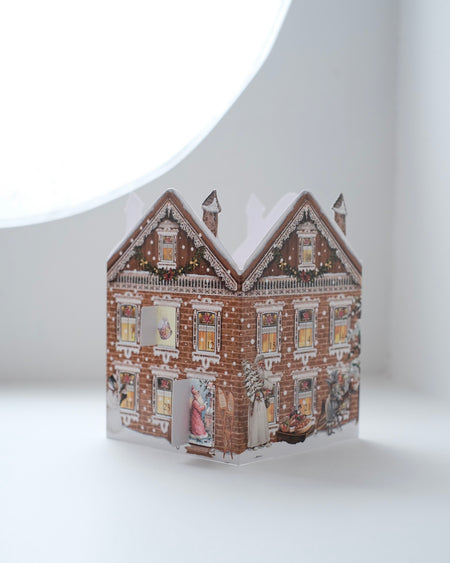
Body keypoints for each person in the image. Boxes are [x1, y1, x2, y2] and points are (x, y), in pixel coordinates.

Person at [247, 355, 273, 448]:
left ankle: (264, 441)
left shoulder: (265, 374)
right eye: (259, 363)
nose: (261, 365)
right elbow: (248, 388)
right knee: (255, 422)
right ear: (256, 364)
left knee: (263, 421)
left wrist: (263, 383)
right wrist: (254, 393)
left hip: (262, 400)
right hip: (254, 401)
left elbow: (271, 386)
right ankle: (254, 443)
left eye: (262, 363)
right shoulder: (252, 375)